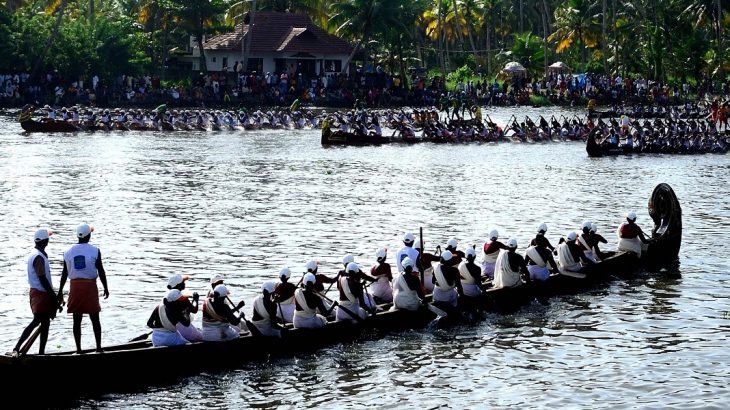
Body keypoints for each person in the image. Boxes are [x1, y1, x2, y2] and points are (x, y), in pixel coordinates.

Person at [57, 224, 109, 354]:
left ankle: (78, 350)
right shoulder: (95, 250)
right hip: (90, 286)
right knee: (95, 318)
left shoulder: (67, 252)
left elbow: (64, 274)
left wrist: (59, 292)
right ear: (89, 236)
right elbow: (101, 271)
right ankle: (98, 348)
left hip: (75, 286)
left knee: (77, 319)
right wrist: (106, 288)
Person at [12, 228, 62, 357]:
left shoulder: (35, 254)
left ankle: (41, 353)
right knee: (37, 320)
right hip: (40, 294)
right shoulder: (38, 257)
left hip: (39, 293)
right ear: (45, 241)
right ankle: (17, 348)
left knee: (45, 322)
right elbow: (42, 278)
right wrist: (53, 297)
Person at [166, 274, 202, 342]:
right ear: (178, 285)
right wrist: (196, 300)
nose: (184, 283)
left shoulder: (167, 298)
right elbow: (194, 310)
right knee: (203, 338)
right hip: (184, 328)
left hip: (172, 329)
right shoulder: (183, 299)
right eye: (183, 282)